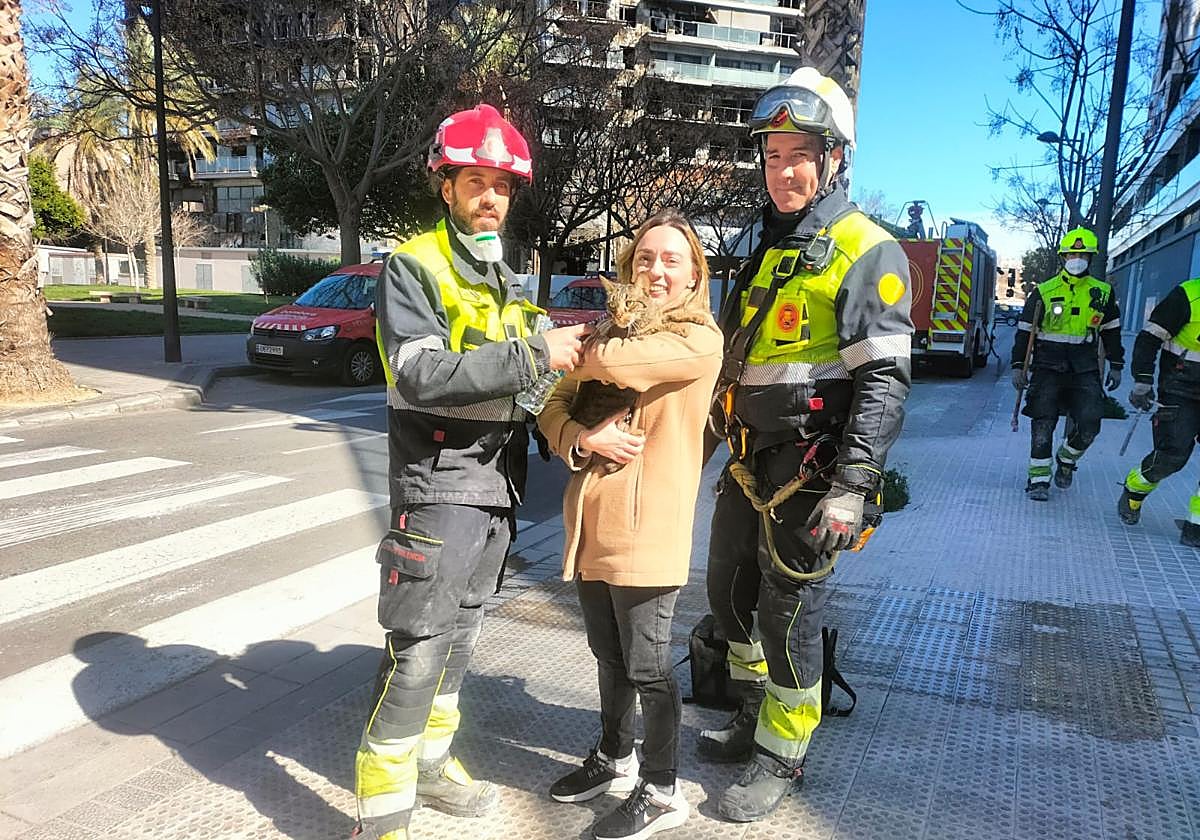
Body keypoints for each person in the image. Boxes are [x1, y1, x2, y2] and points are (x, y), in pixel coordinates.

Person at [352, 103, 591, 840]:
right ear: (446, 185)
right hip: (437, 483)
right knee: (420, 648)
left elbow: (529, 388)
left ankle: (429, 767)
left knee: (459, 641)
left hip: (495, 486)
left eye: (503, 186)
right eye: (476, 182)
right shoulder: (413, 266)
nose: (491, 198)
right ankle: (383, 813)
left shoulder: (508, 278)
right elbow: (421, 375)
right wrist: (535, 355)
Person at [700, 67, 914, 822]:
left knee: (787, 613)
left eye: (798, 154)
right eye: (770, 155)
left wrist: (853, 486)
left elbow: (885, 381)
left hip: (813, 472)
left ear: (833, 159)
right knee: (727, 593)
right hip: (748, 460)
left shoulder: (865, 249)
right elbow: (735, 361)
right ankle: (751, 709)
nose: (780, 170)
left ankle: (781, 752)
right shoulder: (771, 246)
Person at [537, 210, 723, 840]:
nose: (656, 270)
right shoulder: (608, 330)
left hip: (650, 528)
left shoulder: (699, 338)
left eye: (671, 259)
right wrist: (581, 438)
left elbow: (617, 362)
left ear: (694, 272)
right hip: (590, 521)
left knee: (648, 665)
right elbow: (551, 404)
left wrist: (585, 355)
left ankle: (662, 786)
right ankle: (614, 758)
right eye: (644, 258)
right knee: (608, 656)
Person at [1011, 227, 1124, 501]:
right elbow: (1025, 332)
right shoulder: (1044, 292)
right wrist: (1017, 365)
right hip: (1047, 366)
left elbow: (1111, 332)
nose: (1077, 258)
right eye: (1072, 253)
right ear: (1063, 257)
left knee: (1090, 423)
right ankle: (1038, 480)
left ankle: (1066, 459)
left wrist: (1116, 363)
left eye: (1082, 253)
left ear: (1091, 257)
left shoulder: (1103, 294)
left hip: (1084, 367)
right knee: (1042, 422)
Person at [1118, 277, 1200, 546]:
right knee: (1173, 454)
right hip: (1180, 386)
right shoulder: (1188, 295)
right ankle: (1134, 490)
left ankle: (1196, 526)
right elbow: (1149, 339)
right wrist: (1142, 380)